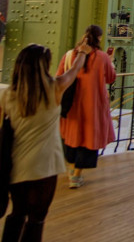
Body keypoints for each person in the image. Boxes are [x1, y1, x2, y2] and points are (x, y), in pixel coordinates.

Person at [0, 43, 88, 242]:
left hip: (17, 164)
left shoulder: (7, 95)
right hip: (45, 166)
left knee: (17, 213)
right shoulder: (54, 89)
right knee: (37, 219)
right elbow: (73, 71)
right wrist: (82, 52)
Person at [56, 25, 116, 188]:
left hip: (72, 105)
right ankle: (76, 175)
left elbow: (59, 77)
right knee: (88, 138)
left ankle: (70, 170)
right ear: (99, 38)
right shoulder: (102, 57)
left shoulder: (69, 55)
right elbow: (111, 78)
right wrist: (110, 62)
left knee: (71, 136)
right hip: (93, 105)